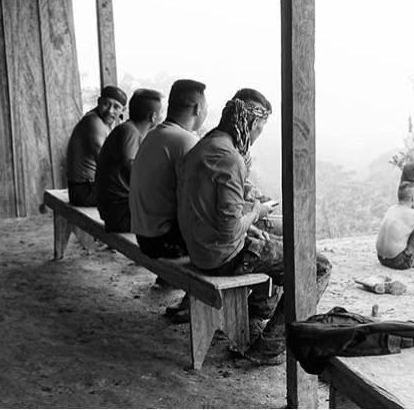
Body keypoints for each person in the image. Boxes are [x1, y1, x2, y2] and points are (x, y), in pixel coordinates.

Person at [177, 88, 333, 365]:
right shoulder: (229, 159)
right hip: (220, 257)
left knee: (275, 246)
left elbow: (210, 212)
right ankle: (269, 348)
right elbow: (228, 230)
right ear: (250, 122)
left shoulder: (201, 147)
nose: (260, 132)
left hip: (198, 246)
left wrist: (250, 225)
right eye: (262, 125)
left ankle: (251, 320)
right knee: (316, 265)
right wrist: (256, 212)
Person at [130, 79, 207, 258]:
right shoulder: (186, 141)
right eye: (206, 107)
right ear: (197, 108)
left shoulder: (154, 134)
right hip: (163, 241)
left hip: (144, 236)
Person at [95, 89, 164, 232]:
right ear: (154, 116)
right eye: (161, 113)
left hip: (117, 212)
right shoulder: (129, 132)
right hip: (120, 215)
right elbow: (131, 168)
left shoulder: (128, 130)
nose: (162, 117)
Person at [66, 85, 127, 206]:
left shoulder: (108, 123)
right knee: (134, 198)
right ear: (99, 102)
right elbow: (105, 162)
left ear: (123, 110)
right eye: (106, 103)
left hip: (92, 187)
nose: (110, 111)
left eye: (116, 107)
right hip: (83, 191)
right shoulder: (93, 121)